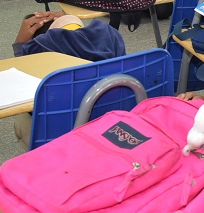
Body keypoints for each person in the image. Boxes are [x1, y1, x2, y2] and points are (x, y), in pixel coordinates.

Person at [11, 12, 127, 149]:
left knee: (22, 119)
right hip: (115, 127)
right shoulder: (111, 39)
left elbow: (23, 89)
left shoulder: (42, 52)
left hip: (61, 137)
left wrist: (20, 45)